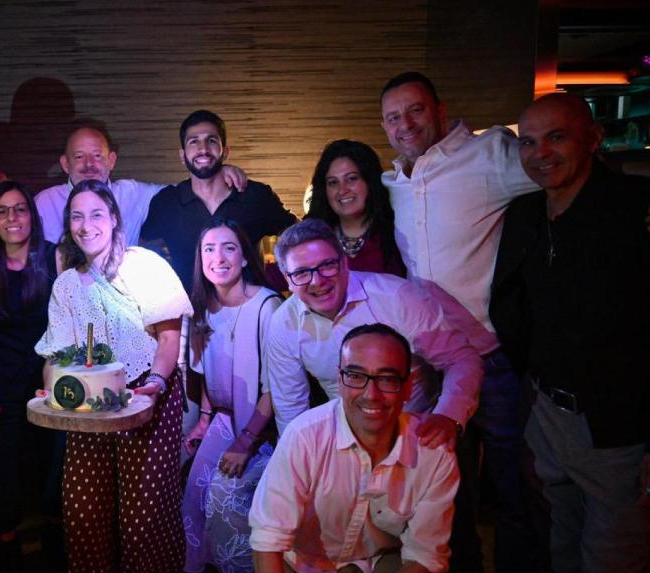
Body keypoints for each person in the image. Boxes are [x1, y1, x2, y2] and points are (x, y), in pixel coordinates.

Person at [378, 71, 541, 573]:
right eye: (392, 117)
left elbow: (557, 168)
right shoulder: (394, 182)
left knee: (516, 487)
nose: (405, 124)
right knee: (447, 491)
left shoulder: (488, 154)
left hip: (494, 358)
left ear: (440, 109)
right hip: (431, 363)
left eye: (416, 111)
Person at [490, 93, 650, 573]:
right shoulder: (524, 215)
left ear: (594, 138)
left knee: (612, 558)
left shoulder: (634, 212)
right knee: (560, 545)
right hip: (545, 413)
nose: (542, 153)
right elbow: (514, 307)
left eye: (557, 137)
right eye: (530, 142)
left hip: (618, 425)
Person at [35, 179, 194, 573]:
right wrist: (56, 388)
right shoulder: (67, 284)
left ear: (114, 218)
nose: (86, 225)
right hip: (90, 403)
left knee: (143, 520)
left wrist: (155, 384)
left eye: (96, 214)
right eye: (76, 216)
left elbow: (169, 337)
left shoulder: (144, 264)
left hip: (148, 395)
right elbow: (57, 355)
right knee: (83, 512)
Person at [250, 324, 459, 573]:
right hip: (305, 565)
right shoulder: (304, 437)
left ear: (407, 387)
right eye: (356, 376)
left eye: (387, 379)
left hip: (381, 563)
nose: (371, 395)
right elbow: (268, 539)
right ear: (340, 380)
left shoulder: (433, 454)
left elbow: (426, 556)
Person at [265, 219, 481, 445]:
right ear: (288, 281)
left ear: (345, 263)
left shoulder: (396, 296)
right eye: (301, 273)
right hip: (344, 446)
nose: (317, 281)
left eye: (327, 265)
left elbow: (460, 358)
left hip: (417, 436)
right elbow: (290, 410)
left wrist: (448, 416)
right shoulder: (283, 324)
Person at [0, 181, 64, 573]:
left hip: (49, 387)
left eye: (20, 209)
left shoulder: (55, 259)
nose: (12, 218)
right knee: (3, 485)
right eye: (2, 211)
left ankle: (54, 560)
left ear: (32, 216)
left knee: (49, 481)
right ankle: (8, 559)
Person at [181, 219, 282, 573]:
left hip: (262, 425)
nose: (218, 257)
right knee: (192, 500)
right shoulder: (201, 307)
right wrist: (204, 421)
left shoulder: (267, 306)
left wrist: (245, 440)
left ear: (243, 258)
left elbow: (275, 388)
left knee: (224, 500)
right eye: (209, 249)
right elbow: (206, 376)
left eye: (228, 248)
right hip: (223, 420)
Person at [141, 110, 296, 291]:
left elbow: (299, 235)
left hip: (248, 311)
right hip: (190, 312)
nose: (203, 149)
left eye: (212, 140)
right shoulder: (167, 202)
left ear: (225, 152)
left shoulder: (255, 195)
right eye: (194, 141)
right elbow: (145, 251)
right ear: (182, 156)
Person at [34, 122, 248, 246]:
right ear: (65, 163)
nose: (89, 164)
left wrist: (217, 173)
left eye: (98, 156)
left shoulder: (133, 193)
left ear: (112, 161)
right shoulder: (44, 203)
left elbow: (186, 191)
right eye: (79, 156)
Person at [306, 139, 406, 277]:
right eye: (333, 182)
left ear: (370, 182)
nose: (342, 190)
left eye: (352, 178)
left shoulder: (397, 229)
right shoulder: (312, 237)